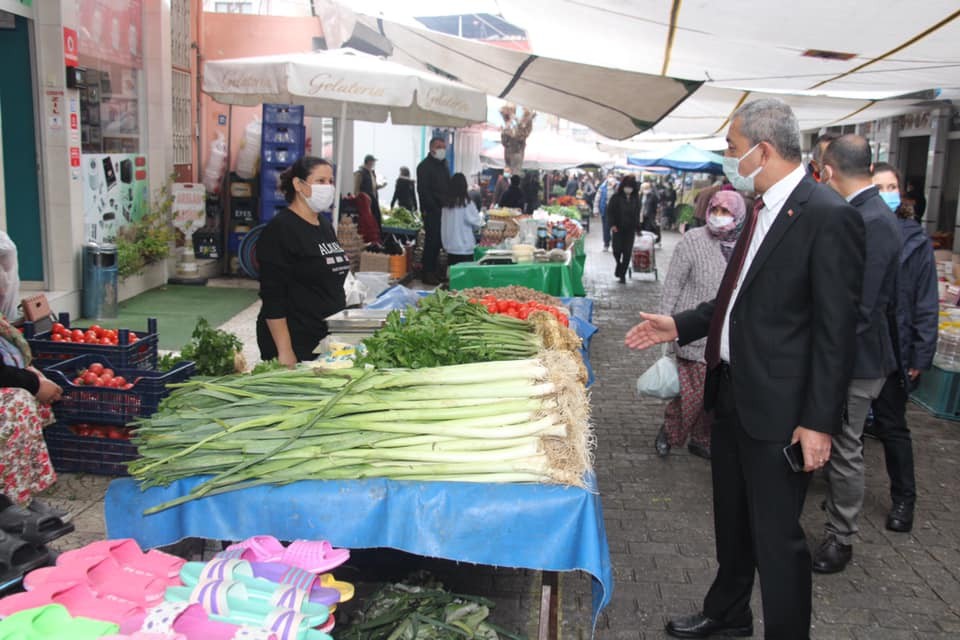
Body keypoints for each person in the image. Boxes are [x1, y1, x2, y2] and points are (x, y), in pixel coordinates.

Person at [624, 98, 865, 640]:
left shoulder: (827, 215)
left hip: (782, 412)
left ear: (764, 149)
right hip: (730, 392)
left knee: (777, 537)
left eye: (734, 149)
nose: (730, 159)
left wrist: (819, 421)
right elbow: (734, 301)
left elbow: (837, 332)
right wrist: (678, 325)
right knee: (731, 522)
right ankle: (727, 613)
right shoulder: (756, 209)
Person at [811, 135, 902, 574]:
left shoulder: (874, 221)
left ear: (828, 171)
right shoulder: (859, 214)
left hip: (858, 361)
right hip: (845, 354)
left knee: (846, 447)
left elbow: (861, 308)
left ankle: (841, 538)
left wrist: (829, 360)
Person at [868, 162, 938, 533]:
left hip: (897, 350)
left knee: (893, 428)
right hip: (862, 346)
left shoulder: (917, 239)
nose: (887, 193)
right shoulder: (857, 227)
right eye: (879, 187)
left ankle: (903, 499)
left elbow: (927, 302)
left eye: (892, 186)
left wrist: (921, 354)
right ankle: (840, 490)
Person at [656, 190, 747, 459]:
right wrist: (665, 322)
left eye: (726, 212)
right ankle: (670, 433)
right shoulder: (693, 240)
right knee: (692, 395)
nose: (719, 217)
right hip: (693, 332)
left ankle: (701, 438)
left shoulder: (746, 245)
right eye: (715, 210)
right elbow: (672, 284)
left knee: (714, 396)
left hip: (728, 336)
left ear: (738, 216)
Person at [257, 156, 350, 366]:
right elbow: (273, 298)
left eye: (330, 181)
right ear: (298, 184)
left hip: (322, 337)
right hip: (295, 341)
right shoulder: (281, 230)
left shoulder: (324, 225)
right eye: (320, 181)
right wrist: (285, 351)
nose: (328, 187)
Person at [417, 137, 451, 285]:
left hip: (444, 210)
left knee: (438, 243)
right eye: (439, 146)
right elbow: (423, 191)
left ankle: (435, 271)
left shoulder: (443, 165)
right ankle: (427, 272)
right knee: (431, 242)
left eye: (444, 147)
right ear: (431, 148)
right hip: (431, 210)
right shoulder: (424, 166)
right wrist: (433, 207)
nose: (442, 149)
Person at [441, 173, 482, 266]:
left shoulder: (446, 205)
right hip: (465, 248)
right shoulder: (467, 203)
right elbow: (477, 223)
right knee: (465, 277)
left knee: (453, 276)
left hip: (450, 246)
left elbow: (443, 225)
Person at [607, 175, 640, 284]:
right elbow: (610, 211)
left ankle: (622, 275)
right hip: (618, 228)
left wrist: (638, 228)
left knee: (627, 252)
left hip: (630, 229)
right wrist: (612, 225)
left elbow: (637, 214)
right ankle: (619, 265)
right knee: (616, 250)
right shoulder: (616, 197)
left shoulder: (636, 199)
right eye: (627, 186)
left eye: (631, 187)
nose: (628, 189)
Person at [354, 154, 384, 229]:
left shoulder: (372, 173)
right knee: (368, 220)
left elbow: (373, 186)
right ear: (369, 162)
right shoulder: (360, 173)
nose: (374, 164)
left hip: (373, 199)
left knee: (376, 218)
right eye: (373, 162)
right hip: (365, 200)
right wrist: (357, 199)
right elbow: (356, 187)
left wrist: (381, 186)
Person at [593, 174, 618, 251]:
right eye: (609, 177)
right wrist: (596, 209)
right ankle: (606, 244)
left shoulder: (618, 186)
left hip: (616, 210)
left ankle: (615, 244)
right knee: (606, 227)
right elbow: (597, 198)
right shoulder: (602, 187)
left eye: (612, 177)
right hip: (605, 209)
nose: (610, 180)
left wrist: (615, 187)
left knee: (616, 228)